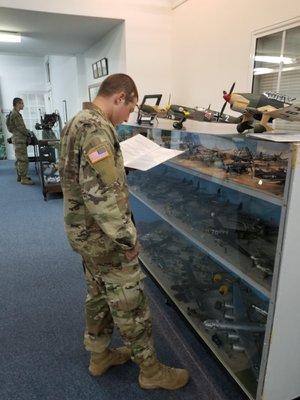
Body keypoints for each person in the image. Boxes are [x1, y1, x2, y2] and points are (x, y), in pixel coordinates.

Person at [59, 73, 189, 390]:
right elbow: (100, 196)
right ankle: (151, 371)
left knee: (99, 296)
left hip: (85, 235)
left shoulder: (80, 121)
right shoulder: (98, 130)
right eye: (129, 108)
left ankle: (99, 355)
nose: (129, 115)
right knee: (132, 305)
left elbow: (83, 177)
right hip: (105, 238)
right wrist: (127, 239)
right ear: (120, 97)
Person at [6, 98, 34, 185]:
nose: (23, 105)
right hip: (20, 140)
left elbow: (11, 128)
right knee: (23, 159)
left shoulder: (13, 113)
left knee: (19, 159)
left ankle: (20, 176)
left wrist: (17, 133)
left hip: (16, 138)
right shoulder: (16, 114)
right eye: (22, 103)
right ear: (17, 104)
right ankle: (23, 178)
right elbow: (21, 128)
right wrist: (28, 133)